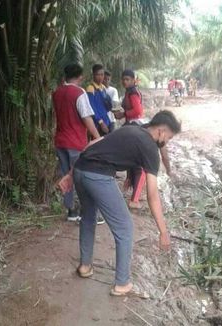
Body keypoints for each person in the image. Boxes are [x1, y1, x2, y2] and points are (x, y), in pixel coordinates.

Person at [58, 110, 181, 296]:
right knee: (124, 227)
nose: (167, 142)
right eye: (169, 138)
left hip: (80, 170)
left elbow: (92, 144)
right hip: (98, 176)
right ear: (162, 132)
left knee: (88, 218)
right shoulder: (150, 148)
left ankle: (85, 266)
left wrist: (69, 174)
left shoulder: (132, 128)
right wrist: (163, 231)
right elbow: (152, 195)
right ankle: (122, 283)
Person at [52, 63, 101, 222]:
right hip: (76, 142)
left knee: (66, 175)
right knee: (81, 176)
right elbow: (86, 117)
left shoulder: (57, 92)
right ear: (80, 76)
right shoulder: (79, 92)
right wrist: (97, 136)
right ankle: (86, 210)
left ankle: (71, 210)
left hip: (60, 141)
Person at [114, 69, 149, 208]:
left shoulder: (133, 92)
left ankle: (134, 195)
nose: (125, 82)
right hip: (131, 128)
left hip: (134, 128)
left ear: (134, 80)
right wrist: (122, 115)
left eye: (128, 79)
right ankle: (134, 198)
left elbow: (138, 111)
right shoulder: (130, 92)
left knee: (136, 164)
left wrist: (124, 114)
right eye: (123, 79)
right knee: (137, 164)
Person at [86, 64, 112, 136]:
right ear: (93, 75)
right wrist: (101, 122)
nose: (100, 77)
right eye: (98, 75)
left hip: (106, 120)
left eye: (102, 74)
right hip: (97, 123)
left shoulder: (103, 87)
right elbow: (92, 108)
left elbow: (105, 106)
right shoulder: (90, 88)